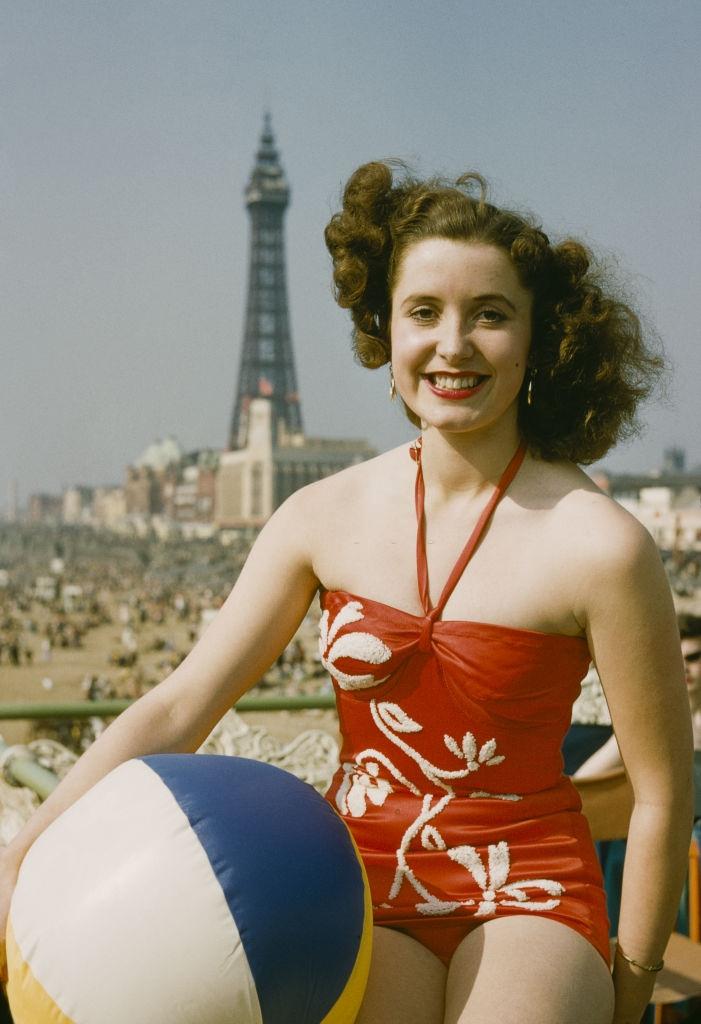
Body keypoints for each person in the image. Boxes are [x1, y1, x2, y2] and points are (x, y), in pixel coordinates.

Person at [0, 162, 693, 1024]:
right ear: (383, 328)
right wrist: (24, 850)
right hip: (356, 884)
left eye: (490, 314)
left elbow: (662, 792)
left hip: (529, 890)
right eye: (423, 312)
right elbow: (180, 704)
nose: (453, 344)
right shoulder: (319, 516)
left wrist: (630, 988)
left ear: (537, 334)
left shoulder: (602, 544)